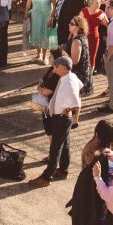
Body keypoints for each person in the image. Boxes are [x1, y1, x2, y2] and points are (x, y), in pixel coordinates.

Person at [69, 119, 113, 225]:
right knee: (105, 223)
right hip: (108, 196)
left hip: (91, 193)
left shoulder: (91, 151)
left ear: (97, 134)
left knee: (90, 222)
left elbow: (84, 166)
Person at [34, 54, 83, 185]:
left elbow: (77, 103)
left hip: (61, 119)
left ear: (63, 67)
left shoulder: (69, 81)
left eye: (56, 66)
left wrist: (72, 115)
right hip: (61, 118)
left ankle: (46, 177)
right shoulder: (69, 76)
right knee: (65, 145)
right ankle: (63, 170)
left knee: (55, 148)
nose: (54, 68)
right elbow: (81, 86)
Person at [25, 0, 57, 64]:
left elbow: (55, 5)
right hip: (35, 14)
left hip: (46, 15)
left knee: (45, 35)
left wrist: (51, 18)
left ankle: (44, 57)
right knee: (36, 33)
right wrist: (26, 11)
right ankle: (38, 55)